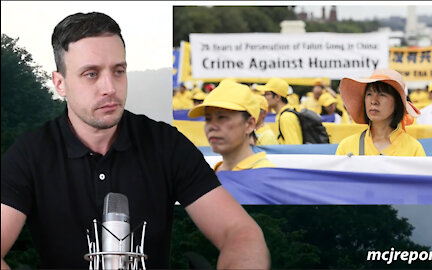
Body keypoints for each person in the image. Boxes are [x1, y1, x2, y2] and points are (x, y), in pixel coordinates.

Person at [1, 12, 269, 269]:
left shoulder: (166, 144)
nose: (110, 87)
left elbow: (240, 232)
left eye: (118, 71)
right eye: (91, 74)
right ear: (60, 83)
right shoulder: (29, 154)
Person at [188, 80, 276, 171]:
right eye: (208, 119)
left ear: (249, 124)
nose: (211, 126)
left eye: (222, 118)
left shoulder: (266, 176)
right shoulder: (210, 175)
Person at [335, 68, 426, 156]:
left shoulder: (413, 149)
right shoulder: (346, 147)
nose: (374, 101)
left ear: (397, 103)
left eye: (382, 94)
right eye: (369, 94)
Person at [258, 77, 303, 144]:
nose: (264, 97)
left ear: (277, 97)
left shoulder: (286, 117)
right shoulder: (283, 115)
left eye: (267, 94)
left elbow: (294, 148)